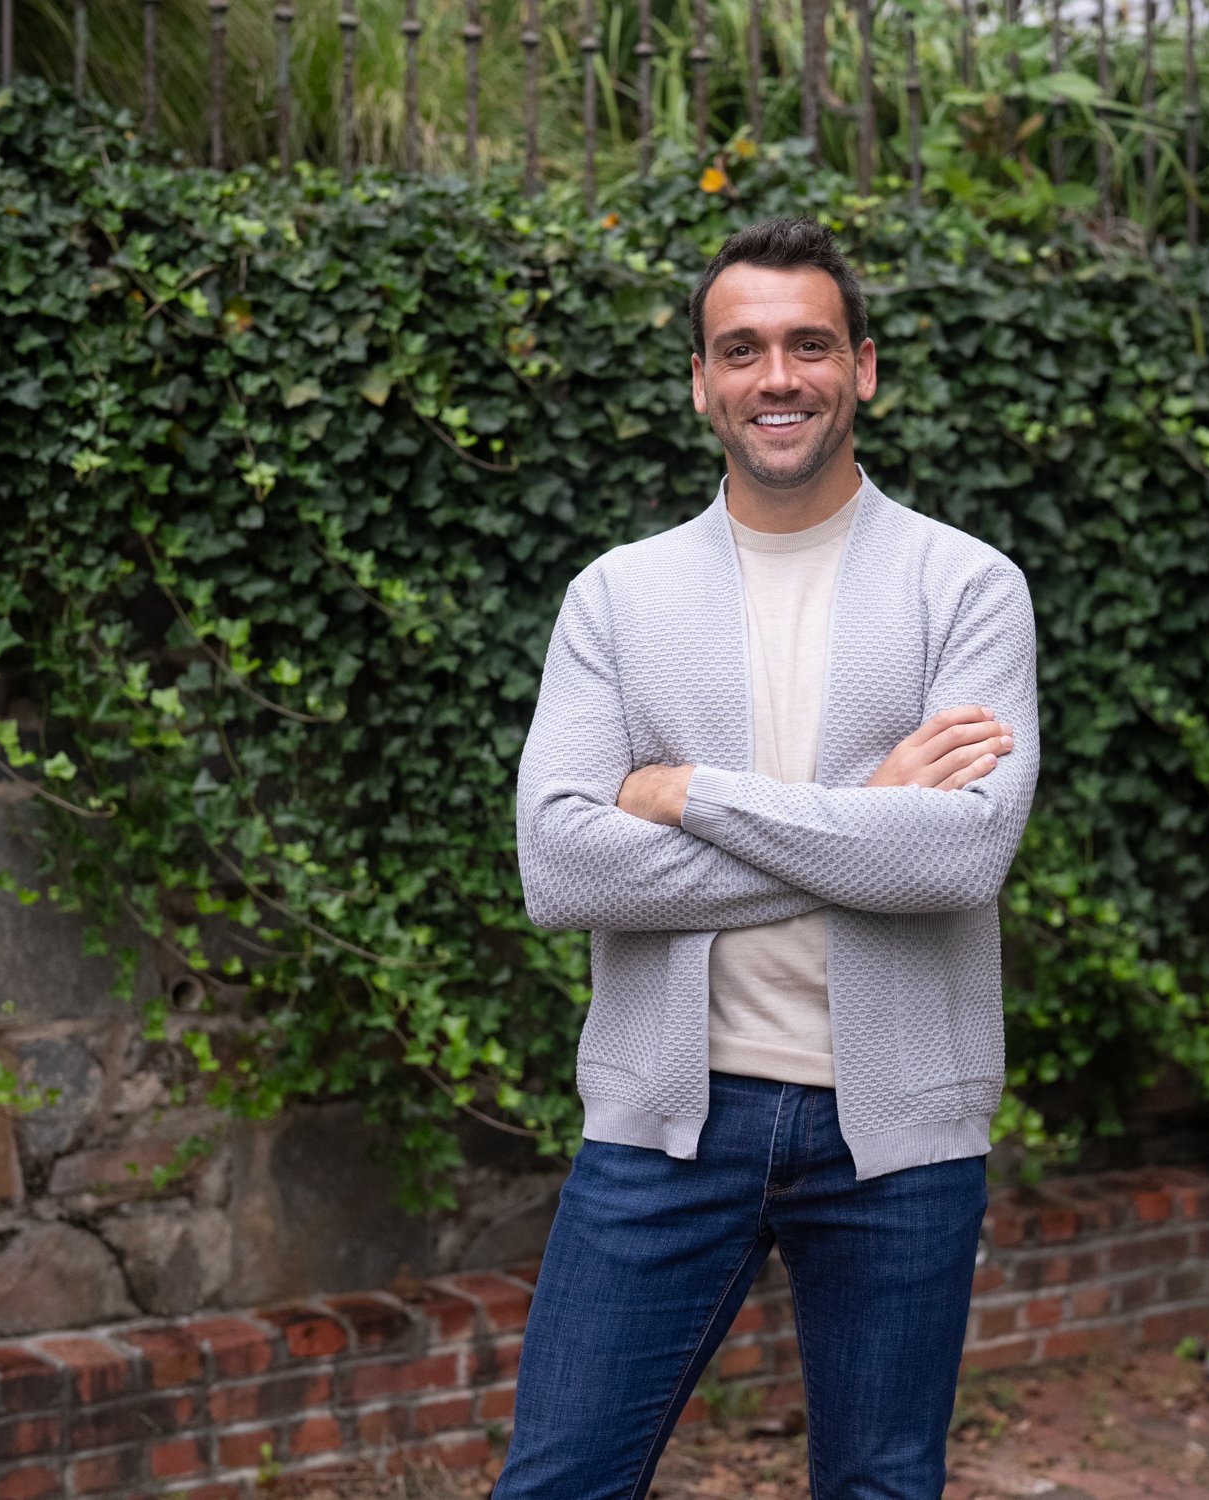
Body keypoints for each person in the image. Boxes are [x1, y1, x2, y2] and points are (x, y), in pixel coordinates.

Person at [497, 214, 1040, 1499]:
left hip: (898, 1129)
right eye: (741, 349)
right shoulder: (618, 597)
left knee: (880, 1487)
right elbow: (561, 867)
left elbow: (959, 858)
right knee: (559, 1481)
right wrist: (865, 813)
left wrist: (678, 795)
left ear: (864, 367)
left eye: (808, 345)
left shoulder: (966, 588)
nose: (775, 377)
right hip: (664, 1125)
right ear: (701, 381)